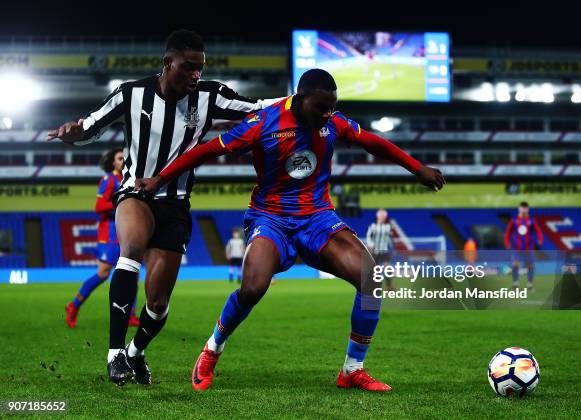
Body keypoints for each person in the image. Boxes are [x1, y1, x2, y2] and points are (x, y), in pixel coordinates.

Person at [135, 68, 445, 392]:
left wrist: (417, 168)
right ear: (300, 98)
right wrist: (160, 179)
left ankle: (352, 369)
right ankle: (212, 348)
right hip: (270, 218)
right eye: (322, 107)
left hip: (318, 218)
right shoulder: (263, 123)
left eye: (332, 107)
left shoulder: (333, 123)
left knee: (372, 279)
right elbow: (209, 150)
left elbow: (373, 142)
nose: (328, 114)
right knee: (253, 287)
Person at [47, 29, 282, 386]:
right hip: (135, 193)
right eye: (188, 67)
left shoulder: (209, 95)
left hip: (176, 204)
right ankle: (114, 355)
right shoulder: (131, 93)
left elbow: (257, 108)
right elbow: (90, 126)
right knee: (132, 248)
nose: (195, 75)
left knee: (157, 304)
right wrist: (72, 131)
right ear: (167, 63)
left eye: (199, 68)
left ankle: (135, 353)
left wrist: (301, 100)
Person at [65, 149, 139, 328]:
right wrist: (121, 201)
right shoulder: (109, 180)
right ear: (113, 163)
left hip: (127, 232)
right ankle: (74, 305)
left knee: (133, 273)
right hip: (110, 234)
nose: (123, 161)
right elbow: (99, 206)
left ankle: (130, 314)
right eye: (120, 159)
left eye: (125, 158)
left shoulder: (130, 180)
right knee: (103, 273)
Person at [504, 202, 543, 291]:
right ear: (519, 209)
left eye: (525, 208)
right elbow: (507, 232)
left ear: (528, 209)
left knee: (530, 266)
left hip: (528, 248)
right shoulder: (514, 220)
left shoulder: (531, 221)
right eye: (522, 208)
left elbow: (538, 231)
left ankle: (530, 285)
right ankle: (515, 284)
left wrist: (540, 239)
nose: (524, 209)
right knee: (515, 265)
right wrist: (506, 243)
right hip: (517, 248)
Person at [366, 208, 394, 291]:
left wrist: (392, 247)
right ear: (378, 216)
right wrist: (370, 245)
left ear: (385, 216)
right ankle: (374, 286)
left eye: (383, 215)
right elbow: (368, 236)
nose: (382, 216)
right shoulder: (373, 226)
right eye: (380, 214)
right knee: (374, 270)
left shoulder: (388, 227)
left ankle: (389, 286)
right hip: (375, 252)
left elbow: (390, 238)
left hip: (384, 251)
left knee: (387, 267)